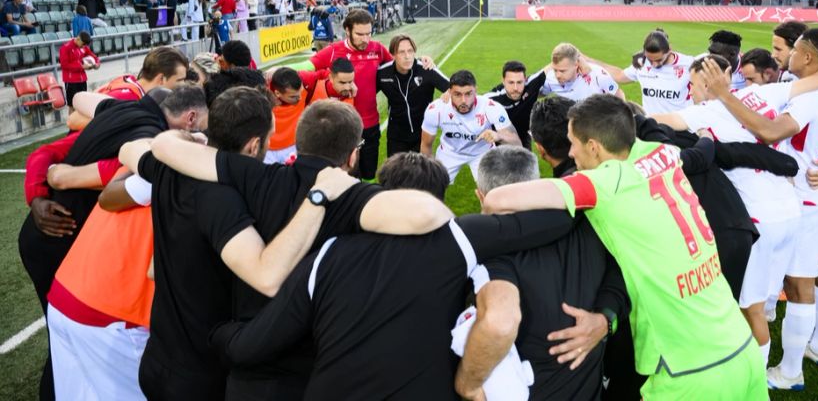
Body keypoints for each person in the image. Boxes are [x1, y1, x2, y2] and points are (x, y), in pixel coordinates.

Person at [143, 100, 456, 399]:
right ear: (351, 156)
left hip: (244, 364)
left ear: (299, 142)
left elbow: (161, 146)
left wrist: (189, 135)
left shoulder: (255, 177)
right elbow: (430, 212)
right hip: (310, 368)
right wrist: (350, 188)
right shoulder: (349, 200)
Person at [482, 95, 768, 400]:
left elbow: (498, 199)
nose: (571, 152)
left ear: (593, 146)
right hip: (740, 346)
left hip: (688, 372)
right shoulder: (663, 152)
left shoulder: (604, 182)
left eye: (573, 142)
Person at [208, 182, 574, 400]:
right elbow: (558, 218)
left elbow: (254, 345)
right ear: (438, 202)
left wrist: (217, 331)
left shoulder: (330, 252)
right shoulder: (458, 239)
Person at [115, 87, 340, 400]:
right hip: (201, 372)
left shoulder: (170, 168)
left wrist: (184, 140)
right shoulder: (226, 197)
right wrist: (319, 197)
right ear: (252, 146)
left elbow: (128, 149)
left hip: (159, 357)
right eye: (269, 137)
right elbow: (267, 277)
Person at [653, 54, 818, 367]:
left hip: (760, 220)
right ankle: (796, 359)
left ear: (708, 83)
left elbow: (651, 123)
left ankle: (756, 383)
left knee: (751, 310)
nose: (689, 91)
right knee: (771, 298)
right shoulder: (764, 92)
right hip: (790, 209)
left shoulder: (702, 113)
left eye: (691, 84)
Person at [19, 85, 208, 401]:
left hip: (66, 272)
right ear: (188, 118)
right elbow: (69, 178)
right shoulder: (152, 146)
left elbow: (74, 110)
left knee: (68, 361)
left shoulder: (120, 111)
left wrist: (44, 186)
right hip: (68, 247)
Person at [698, 30, 818, 391]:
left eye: (793, 50)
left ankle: (790, 372)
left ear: (807, 58)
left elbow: (771, 133)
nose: (786, 56)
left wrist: (725, 96)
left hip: (808, 191)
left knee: (800, 283)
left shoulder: (810, 99)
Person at [455, 146, 629, 401]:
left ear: (481, 196)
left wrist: (467, 384)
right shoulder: (589, 220)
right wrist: (606, 319)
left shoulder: (489, 256)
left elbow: (500, 323)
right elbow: (625, 270)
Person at [310, 9, 393, 179]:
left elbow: (399, 66)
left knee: (369, 174)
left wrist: (423, 61)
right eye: (360, 34)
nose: (365, 39)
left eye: (369, 34)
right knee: (347, 178)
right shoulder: (333, 50)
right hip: (343, 126)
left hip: (370, 124)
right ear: (347, 31)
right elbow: (309, 66)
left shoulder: (377, 49)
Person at [421, 70, 521, 185]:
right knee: (432, 186)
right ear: (449, 92)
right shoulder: (436, 109)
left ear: (476, 91)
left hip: (483, 153)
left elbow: (517, 143)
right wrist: (428, 172)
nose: (464, 101)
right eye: (457, 94)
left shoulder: (491, 107)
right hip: (449, 152)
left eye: (468, 94)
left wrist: (499, 136)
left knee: (492, 190)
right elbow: (426, 145)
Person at [264, 60, 355, 164]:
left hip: (293, 147)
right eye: (293, 96)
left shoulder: (305, 81)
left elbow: (327, 74)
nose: (299, 99)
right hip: (268, 151)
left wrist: (349, 83)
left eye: (300, 93)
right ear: (277, 93)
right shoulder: (261, 92)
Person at [377, 34, 450, 156]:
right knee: (396, 173)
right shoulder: (383, 73)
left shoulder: (426, 69)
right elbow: (365, 92)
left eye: (410, 51)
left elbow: (453, 88)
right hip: (396, 135)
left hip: (423, 133)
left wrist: (445, 98)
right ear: (393, 55)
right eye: (401, 52)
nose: (407, 56)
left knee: (422, 173)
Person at [595, 29, 695, 113]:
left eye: (659, 60)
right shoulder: (641, 63)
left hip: (680, 129)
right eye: (650, 60)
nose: (654, 65)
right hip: (653, 128)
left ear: (669, 50)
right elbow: (619, 75)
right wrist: (585, 59)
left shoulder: (688, 64)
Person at [485, 60, 547, 149]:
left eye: (519, 82)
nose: (515, 88)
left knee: (526, 162)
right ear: (503, 81)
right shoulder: (491, 99)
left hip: (523, 137)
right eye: (511, 82)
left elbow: (555, 64)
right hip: (498, 138)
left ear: (525, 80)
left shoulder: (531, 85)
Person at [541, 42, 623, 102]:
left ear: (576, 64)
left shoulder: (598, 75)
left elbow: (619, 98)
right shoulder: (551, 78)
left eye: (562, 71)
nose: (558, 75)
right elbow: (531, 91)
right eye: (555, 70)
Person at [59, 32, 100, 107]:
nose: (83, 46)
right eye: (83, 44)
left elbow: (92, 56)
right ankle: (72, 119)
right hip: (71, 81)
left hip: (82, 80)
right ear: (78, 39)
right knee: (72, 105)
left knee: (83, 104)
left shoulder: (83, 47)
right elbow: (64, 65)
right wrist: (81, 67)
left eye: (85, 45)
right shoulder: (65, 48)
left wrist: (97, 63)